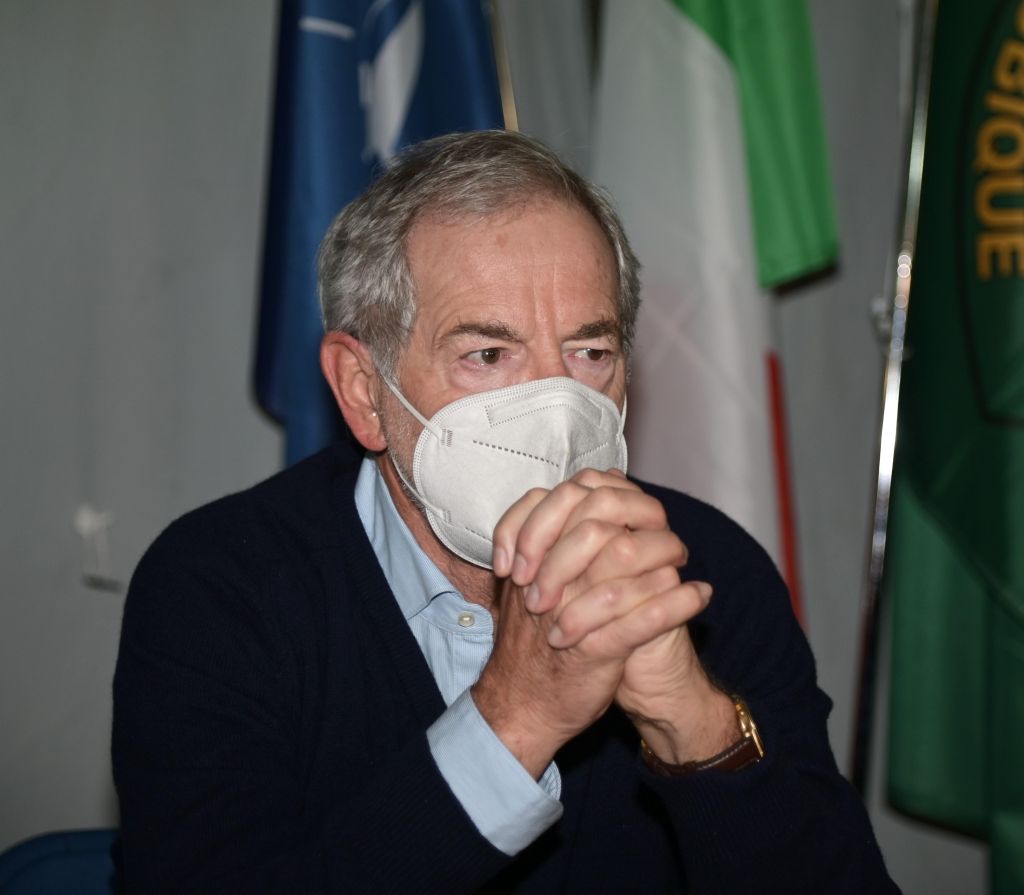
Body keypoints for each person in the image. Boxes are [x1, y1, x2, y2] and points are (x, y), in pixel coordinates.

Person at [112, 130, 898, 893]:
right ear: (364, 391)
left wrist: (694, 723)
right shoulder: (219, 590)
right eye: (487, 355)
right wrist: (515, 720)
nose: (555, 411)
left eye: (590, 352)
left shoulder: (705, 571)